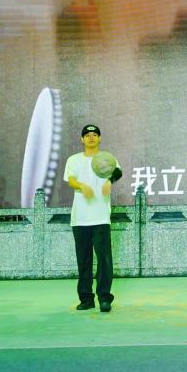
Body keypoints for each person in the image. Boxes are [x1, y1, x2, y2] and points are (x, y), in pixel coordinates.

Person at [64, 124, 123, 312]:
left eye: (95, 135)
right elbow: (71, 180)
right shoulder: (74, 160)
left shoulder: (106, 158)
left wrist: (109, 181)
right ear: (82, 139)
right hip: (80, 218)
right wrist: (82, 186)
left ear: (99, 138)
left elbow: (118, 171)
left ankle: (104, 298)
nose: (91, 137)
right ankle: (86, 299)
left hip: (101, 217)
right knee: (84, 261)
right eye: (87, 135)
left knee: (104, 259)